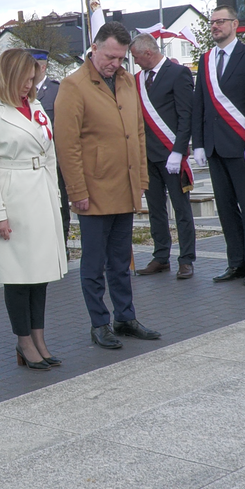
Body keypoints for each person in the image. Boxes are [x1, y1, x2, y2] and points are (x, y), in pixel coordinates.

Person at [54, 21, 160, 350]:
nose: (115, 64)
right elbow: (67, 145)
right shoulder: (73, 86)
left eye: (121, 58)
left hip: (125, 186)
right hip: (94, 190)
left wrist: (141, 179)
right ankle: (99, 322)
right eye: (110, 57)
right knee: (94, 264)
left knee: (120, 261)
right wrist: (77, 192)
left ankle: (125, 317)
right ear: (95, 48)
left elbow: (138, 134)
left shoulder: (127, 82)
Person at [0, 48, 67, 371]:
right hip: (12, 197)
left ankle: (39, 338)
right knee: (18, 275)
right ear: (11, 76)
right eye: (25, 79)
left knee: (39, 273)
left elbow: (50, 152)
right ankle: (24, 341)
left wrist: (55, 196)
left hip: (39, 192)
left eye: (33, 79)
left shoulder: (36, 106)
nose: (30, 85)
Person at [192, 5, 245, 287]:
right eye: (212, 22)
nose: (215, 26)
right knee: (225, 209)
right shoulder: (206, 60)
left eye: (220, 22)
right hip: (214, 148)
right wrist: (197, 143)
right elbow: (199, 103)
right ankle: (235, 263)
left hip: (240, 147)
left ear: (235, 24)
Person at [129, 34, 197, 280]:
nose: (134, 62)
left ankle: (186, 259)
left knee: (181, 210)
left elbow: (185, 115)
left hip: (171, 156)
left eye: (136, 57)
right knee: (156, 209)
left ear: (148, 53)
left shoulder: (178, 73)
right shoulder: (137, 80)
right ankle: (161, 257)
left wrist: (178, 151)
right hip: (147, 157)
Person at [30, 49, 70, 246]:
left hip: (55, 156)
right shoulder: (22, 90)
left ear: (42, 67)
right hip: (32, 158)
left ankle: (61, 243)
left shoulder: (56, 89)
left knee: (59, 200)